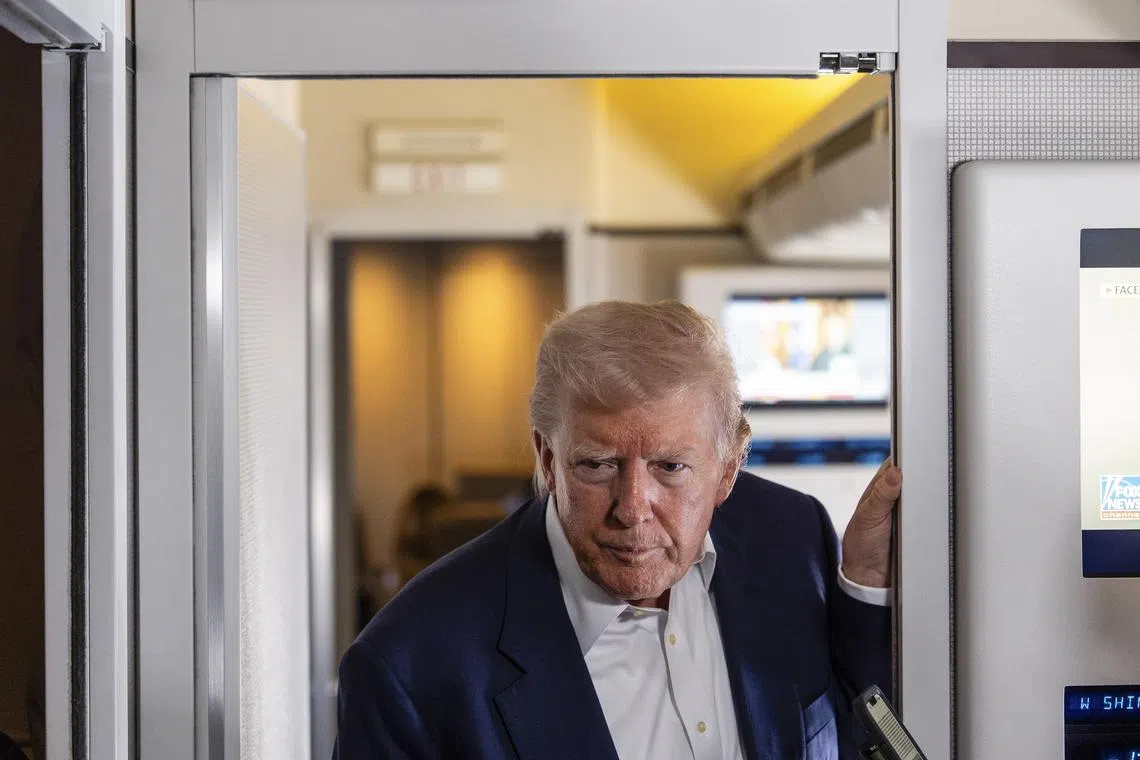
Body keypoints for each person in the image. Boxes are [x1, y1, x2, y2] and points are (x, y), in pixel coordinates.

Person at [333, 301, 901, 759]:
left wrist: (868, 586)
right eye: (597, 465)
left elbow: (867, 724)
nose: (632, 509)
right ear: (547, 459)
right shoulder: (406, 665)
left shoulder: (791, 535)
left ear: (728, 469)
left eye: (670, 468)